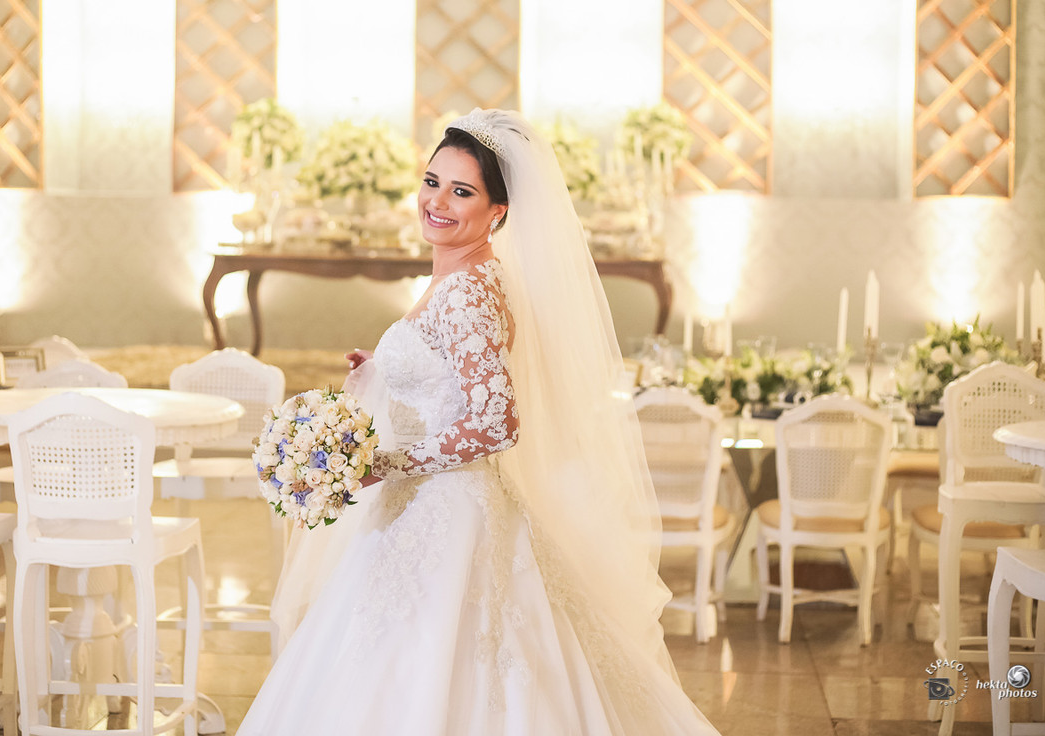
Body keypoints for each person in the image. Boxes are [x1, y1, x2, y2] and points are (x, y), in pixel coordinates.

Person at [236, 109, 719, 735]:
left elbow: (495, 422)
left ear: (498, 211)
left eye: (461, 191)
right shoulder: (469, 275)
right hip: (438, 501)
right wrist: (382, 369)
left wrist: (382, 464)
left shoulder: (467, 291)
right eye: (431, 181)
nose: (437, 201)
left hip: (447, 510)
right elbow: (454, 376)